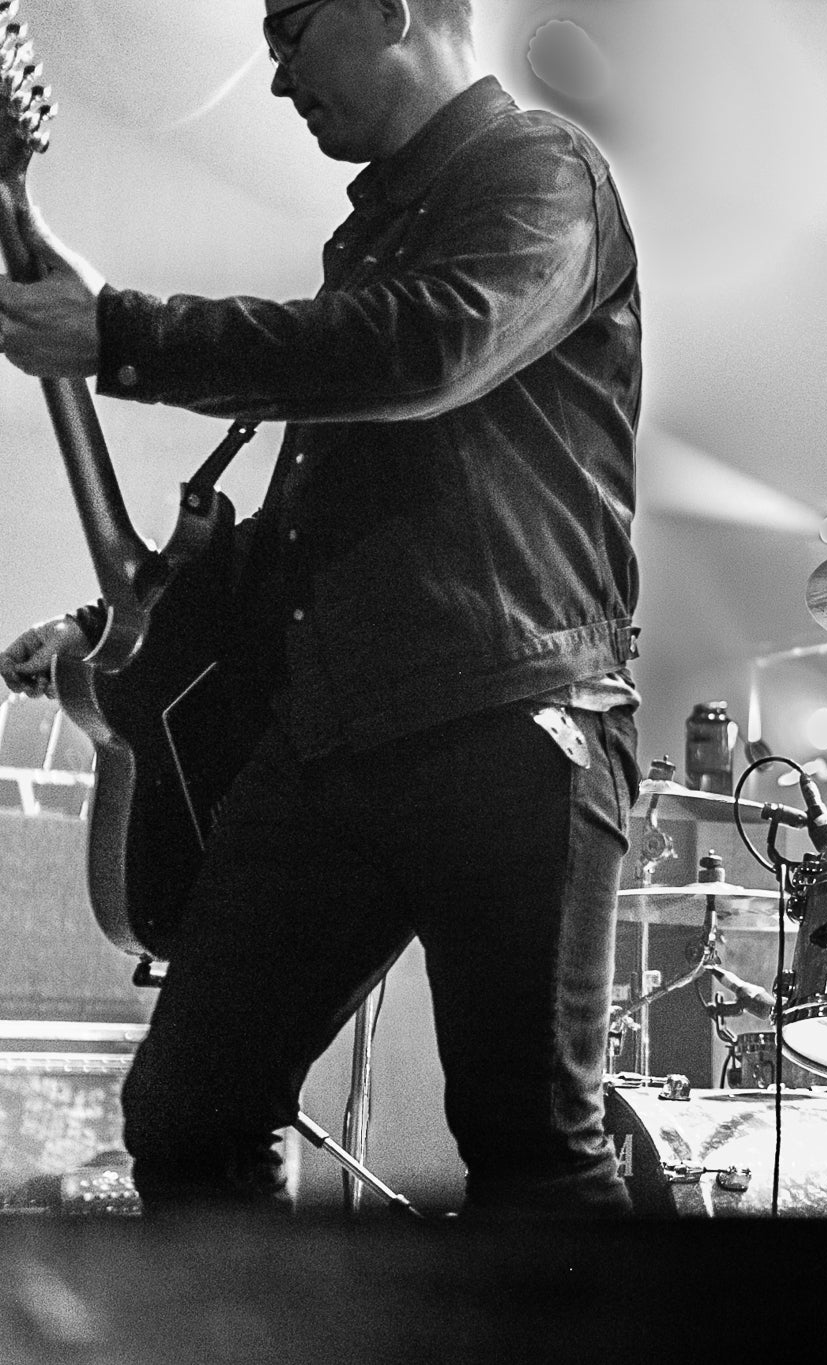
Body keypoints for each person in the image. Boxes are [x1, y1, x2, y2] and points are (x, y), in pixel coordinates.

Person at [0, 0, 642, 1216]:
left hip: (510, 722)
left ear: (390, 8)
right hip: (338, 737)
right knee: (188, 1111)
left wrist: (125, 335)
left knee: (532, 1151)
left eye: (291, 29)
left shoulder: (540, 173)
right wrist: (109, 630)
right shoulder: (375, 241)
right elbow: (321, 543)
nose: (279, 74)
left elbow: (427, 351)